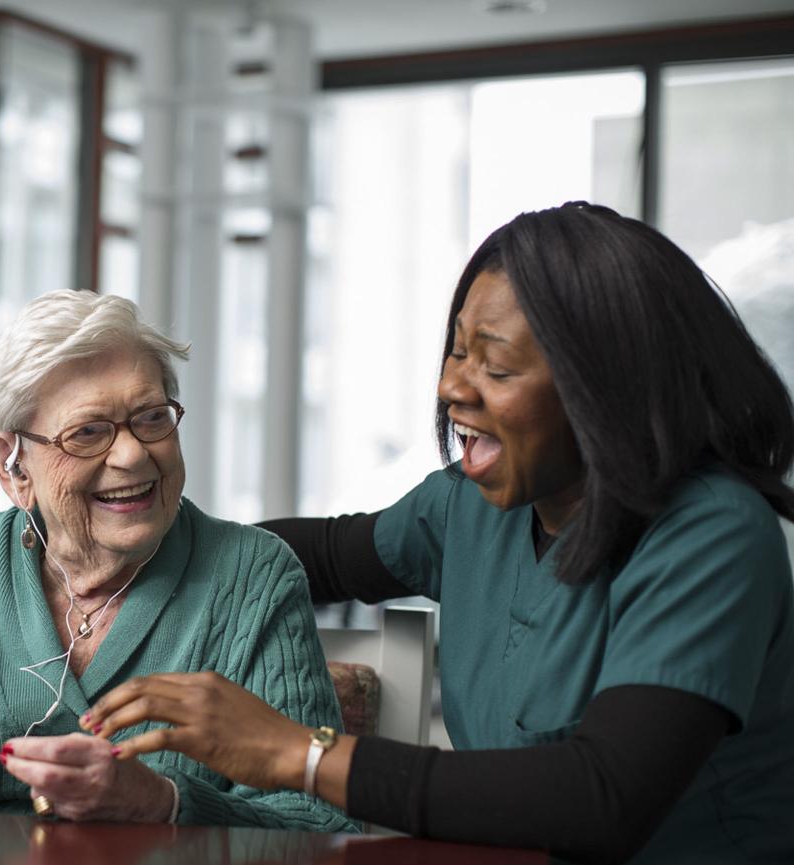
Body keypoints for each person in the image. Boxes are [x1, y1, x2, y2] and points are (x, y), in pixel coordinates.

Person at [81, 203, 794, 864]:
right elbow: (323, 555)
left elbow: (602, 796)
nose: (453, 387)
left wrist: (295, 753)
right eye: (457, 352)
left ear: (605, 383)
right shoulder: (474, 509)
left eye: (498, 364)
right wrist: (121, 541)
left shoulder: (714, 536)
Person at [0, 289, 356, 831]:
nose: (134, 452)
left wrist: (162, 804)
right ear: (13, 467)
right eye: (88, 433)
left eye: (152, 418)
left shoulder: (252, 577)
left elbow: (319, 827)